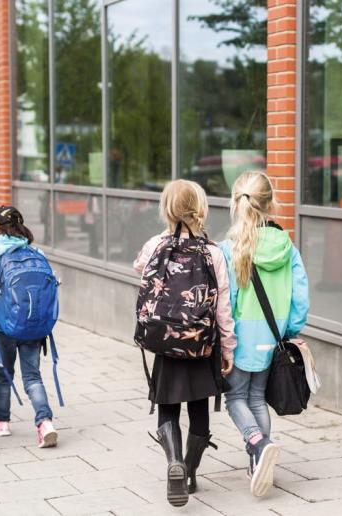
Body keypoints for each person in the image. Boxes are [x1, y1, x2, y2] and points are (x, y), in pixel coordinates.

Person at [133, 180, 237, 506]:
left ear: (166, 210)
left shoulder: (155, 245)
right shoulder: (214, 252)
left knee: (167, 405)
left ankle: (174, 461)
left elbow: (139, 268)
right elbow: (223, 306)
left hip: (166, 342)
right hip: (202, 345)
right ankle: (190, 473)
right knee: (198, 407)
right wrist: (229, 347)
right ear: (201, 209)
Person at [219, 171, 309, 497]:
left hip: (241, 336)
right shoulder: (287, 247)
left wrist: (222, 339)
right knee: (257, 397)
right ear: (270, 203)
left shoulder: (228, 250)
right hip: (272, 335)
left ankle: (259, 444)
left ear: (236, 203)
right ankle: (258, 464)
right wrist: (290, 329)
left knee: (235, 399)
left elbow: (225, 301)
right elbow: (301, 298)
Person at [0, 206, 59, 448]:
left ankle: (2, 422)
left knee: (3, 375)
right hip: (34, 326)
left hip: (4, 328)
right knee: (33, 376)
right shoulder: (36, 252)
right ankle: (44, 422)